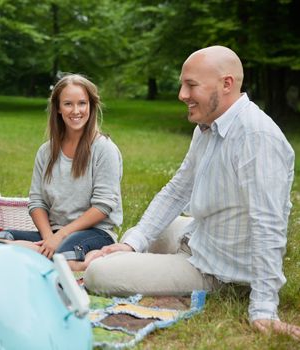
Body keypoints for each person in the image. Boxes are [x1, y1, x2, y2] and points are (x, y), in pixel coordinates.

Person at [84, 46, 300, 339]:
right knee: (141, 233)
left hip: (217, 269)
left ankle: (140, 265)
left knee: (99, 273)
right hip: (200, 235)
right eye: (182, 84)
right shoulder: (206, 127)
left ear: (226, 84)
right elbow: (177, 190)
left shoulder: (257, 137)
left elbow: (268, 224)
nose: (182, 94)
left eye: (191, 85)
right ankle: (133, 254)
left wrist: (263, 308)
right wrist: (132, 244)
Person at [0, 74, 123, 271]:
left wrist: (60, 238)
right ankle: (42, 254)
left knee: (64, 259)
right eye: (68, 104)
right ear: (58, 109)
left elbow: (103, 206)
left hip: (95, 232)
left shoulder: (104, 149)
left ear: (91, 106)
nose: (76, 111)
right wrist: (48, 238)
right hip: (54, 232)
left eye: (82, 103)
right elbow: (37, 202)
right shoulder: (46, 151)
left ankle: (87, 260)